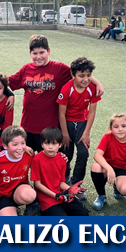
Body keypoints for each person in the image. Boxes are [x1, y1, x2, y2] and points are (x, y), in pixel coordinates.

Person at [8, 34, 104, 154]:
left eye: (42, 52)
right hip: (28, 126)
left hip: (50, 128)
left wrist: (97, 83)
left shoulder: (59, 69)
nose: (38, 56)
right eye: (35, 53)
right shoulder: (26, 69)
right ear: (30, 53)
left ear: (49, 51)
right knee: (28, 160)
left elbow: (80, 74)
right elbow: (9, 81)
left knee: (49, 161)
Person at [57, 57, 101, 188]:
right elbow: (61, 114)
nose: (86, 79)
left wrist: (86, 133)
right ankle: (65, 176)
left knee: (83, 153)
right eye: (81, 76)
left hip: (82, 123)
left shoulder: (92, 88)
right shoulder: (66, 89)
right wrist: (65, 134)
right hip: (67, 124)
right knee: (66, 153)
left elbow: (92, 112)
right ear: (73, 75)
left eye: (89, 75)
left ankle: (77, 182)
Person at [32, 127, 90, 216]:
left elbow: (61, 183)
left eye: (54, 143)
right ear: (42, 144)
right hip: (47, 198)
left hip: (62, 194)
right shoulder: (37, 159)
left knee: (83, 213)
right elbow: (37, 184)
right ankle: (41, 208)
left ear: (60, 145)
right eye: (46, 143)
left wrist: (70, 189)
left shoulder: (62, 159)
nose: (50, 147)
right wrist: (55, 195)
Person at [90, 113, 126, 211]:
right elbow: (97, 155)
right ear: (111, 128)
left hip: (122, 169)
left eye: (123, 126)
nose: (120, 129)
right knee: (95, 166)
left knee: (125, 189)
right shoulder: (107, 137)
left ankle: (117, 188)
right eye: (116, 127)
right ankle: (101, 196)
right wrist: (109, 169)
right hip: (106, 167)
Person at [0, 126, 37, 216]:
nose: (20, 148)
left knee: (29, 195)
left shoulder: (28, 154)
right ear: (5, 146)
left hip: (20, 189)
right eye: (15, 144)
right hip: (2, 195)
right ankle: (12, 209)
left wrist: (60, 156)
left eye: (22, 143)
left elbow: (43, 164)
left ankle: (32, 205)